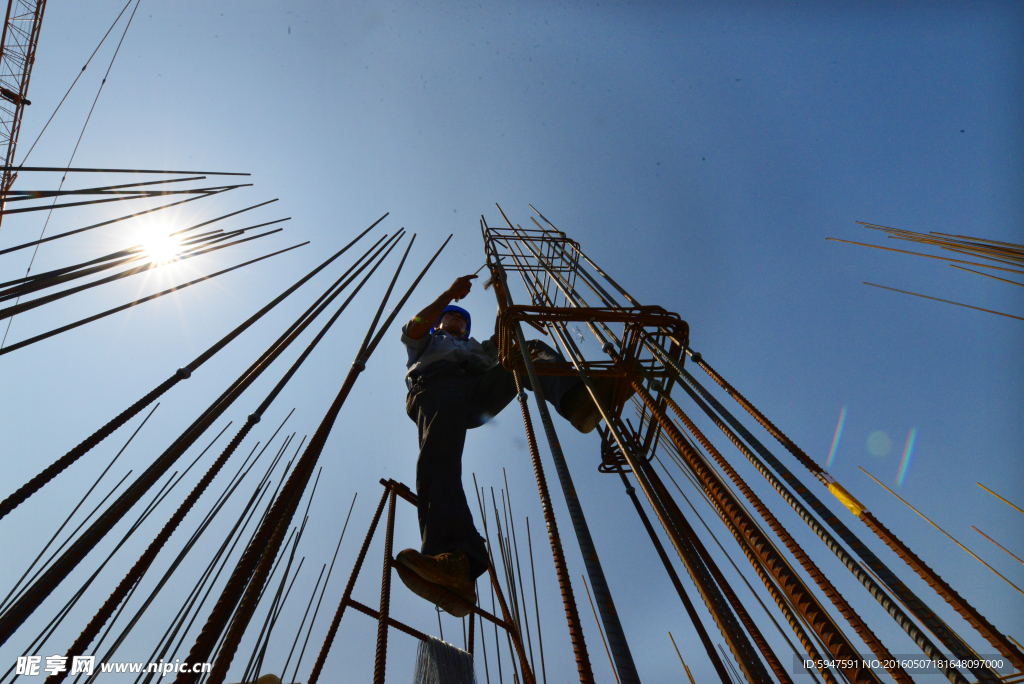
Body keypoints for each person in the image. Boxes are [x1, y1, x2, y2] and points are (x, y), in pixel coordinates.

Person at [394, 272, 609, 616]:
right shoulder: (427, 342)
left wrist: (500, 294)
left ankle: (577, 402)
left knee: (527, 351)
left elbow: (507, 332)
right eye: (451, 316)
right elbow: (416, 326)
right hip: (438, 389)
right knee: (438, 459)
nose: (456, 322)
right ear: (441, 322)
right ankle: (455, 563)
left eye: (461, 320)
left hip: (475, 391)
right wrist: (449, 292)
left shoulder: (476, 348)